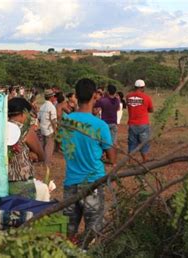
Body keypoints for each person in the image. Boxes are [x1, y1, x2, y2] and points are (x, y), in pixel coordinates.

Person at [61, 78, 115, 249]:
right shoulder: (100, 125)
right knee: (93, 233)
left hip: (71, 184)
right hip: (93, 183)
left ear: (75, 96)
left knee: (68, 233)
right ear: (95, 96)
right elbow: (112, 157)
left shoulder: (66, 122)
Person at [8, 98, 44, 198]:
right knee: (25, 211)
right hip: (22, 182)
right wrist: (33, 153)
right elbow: (41, 156)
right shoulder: (25, 131)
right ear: (24, 113)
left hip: (1, 182)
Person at [126, 79, 154, 162]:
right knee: (144, 143)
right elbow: (151, 110)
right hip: (143, 124)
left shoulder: (128, 96)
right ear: (143, 87)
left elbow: (129, 106)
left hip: (132, 123)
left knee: (132, 143)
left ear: (135, 87)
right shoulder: (147, 97)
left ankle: (129, 161)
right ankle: (144, 160)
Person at [38, 89, 57, 165]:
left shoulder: (42, 106)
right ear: (51, 97)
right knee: (49, 146)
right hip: (49, 129)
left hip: (42, 128)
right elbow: (53, 120)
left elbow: (39, 118)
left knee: (44, 145)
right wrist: (55, 130)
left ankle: (44, 160)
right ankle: (47, 162)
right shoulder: (51, 107)